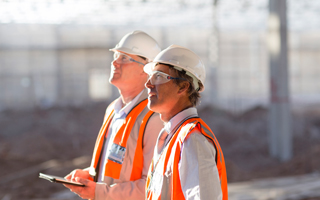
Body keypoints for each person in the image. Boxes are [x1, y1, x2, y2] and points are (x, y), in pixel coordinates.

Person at [63, 30, 164, 200]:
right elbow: (116, 168)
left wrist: (100, 192)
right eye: (115, 56)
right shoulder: (113, 110)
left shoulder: (154, 118)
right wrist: (91, 174)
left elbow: (153, 187)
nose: (115, 63)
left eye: (124, 58)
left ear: (146, 70)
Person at [143, 45, 228, 200]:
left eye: (158, 77)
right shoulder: (173, 137)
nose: (148, 84)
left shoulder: (192, 140)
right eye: (150, 77)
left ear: (183, 86)